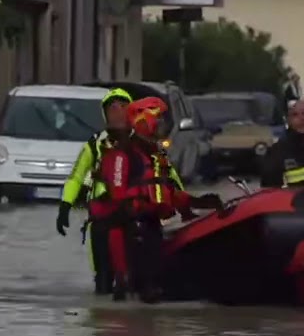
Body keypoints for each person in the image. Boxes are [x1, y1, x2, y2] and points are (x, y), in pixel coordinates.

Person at [96, 97, 223, 302]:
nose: (162, 126)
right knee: (141, 292)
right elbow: (118, 197)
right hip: (131, 230)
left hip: (149, 225)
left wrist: (199, 202)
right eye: (159, 120)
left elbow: (167, 192)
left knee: (154, 290)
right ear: (144, 121)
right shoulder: (122, 154)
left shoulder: (156, 156)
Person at [55, 87, 133, 294]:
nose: (118, 113)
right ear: (105, 115)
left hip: (134, 214)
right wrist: (65, 206)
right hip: (102, 216)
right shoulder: (94, 144)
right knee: (103, 281)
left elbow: (166, 174)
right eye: (113, 108)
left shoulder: (143, 142)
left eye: (123, 107)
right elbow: (76, 177)